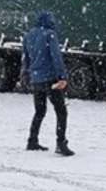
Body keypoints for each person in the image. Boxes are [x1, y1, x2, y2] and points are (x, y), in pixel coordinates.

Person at [21, 11, 73, 156]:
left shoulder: (28, 35)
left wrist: (27, 73)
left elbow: (25, 58)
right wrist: (62, 76)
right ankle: (61, 144)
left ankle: (32, 140)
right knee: (61, 111)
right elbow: (56, 57)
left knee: (39, 111)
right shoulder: (50, 34)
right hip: (50, 78)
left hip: (36, 79)